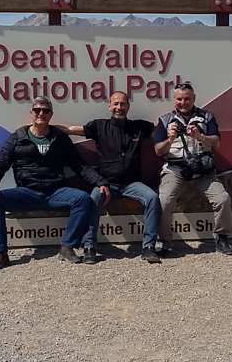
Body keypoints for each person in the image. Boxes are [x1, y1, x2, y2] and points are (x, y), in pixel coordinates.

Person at [0, 97, 111, 271]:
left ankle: (67, 247)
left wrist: (100, 182)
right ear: (31, 113)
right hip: (26, 192)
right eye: (37, 110)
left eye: (45, 111)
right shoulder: (17, 137)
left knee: (82, 199)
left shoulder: (60, 139)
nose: (41, 114)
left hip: (55, 192)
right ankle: (0, 253)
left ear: (51, 115)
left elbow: (80, 166)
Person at [54, 91, 161, 264]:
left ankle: (148, 247)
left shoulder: (139, 127)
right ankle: (90, 248)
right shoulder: (99, 126)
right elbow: (70, 130)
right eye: (116, 104)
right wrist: (42, 125)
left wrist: (178, 121)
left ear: (128, 106)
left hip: (132, 183)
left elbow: (159, 126)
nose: (119, 107)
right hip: (106, 184)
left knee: (153, 198)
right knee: (93, 199)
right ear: (109, 106)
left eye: (123, 104)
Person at [153, 82, 232, 256]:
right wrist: (170, 139)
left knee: (223, 199)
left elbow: (217, 142)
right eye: (179, 99)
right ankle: (164, 242)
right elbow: (158, 150)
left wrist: (201, 136)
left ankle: (222, 238)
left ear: (194, 99)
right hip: (175, 170)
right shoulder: (165, 120)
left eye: (187, 99)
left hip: (203, 171)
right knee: (163, 201)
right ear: (174, 100)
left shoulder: (207, 117)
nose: (183, 102)